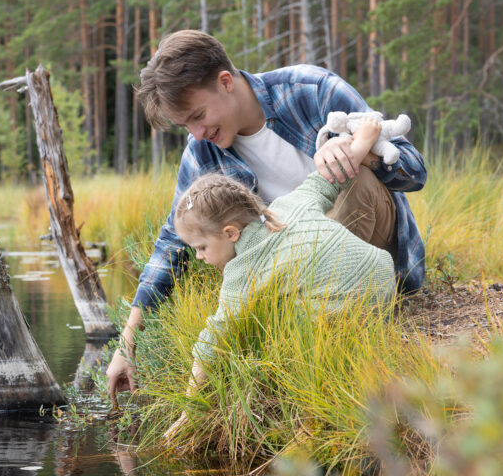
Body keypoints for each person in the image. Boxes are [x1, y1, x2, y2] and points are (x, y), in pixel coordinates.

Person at [107, 30, 426, 406]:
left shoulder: (312, 89)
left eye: (198, 116)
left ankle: (320, 335)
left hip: (366, 247)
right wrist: (127, 343)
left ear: (225, 82)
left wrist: (360, 153)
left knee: (355, 180)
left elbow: (414, 171)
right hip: (291, 277)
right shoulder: (202, 153)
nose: (197, 134)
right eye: (186, 126)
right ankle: (299, 335)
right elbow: (172, 246)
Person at [163, 119, 394, 439]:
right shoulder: (289, 204)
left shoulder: (243, 269)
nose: (199, 257)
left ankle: (316, 413)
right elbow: (331, 176)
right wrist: (366, 137)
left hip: (347, 306)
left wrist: (189, 412)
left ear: (230, 233)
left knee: (269, 338)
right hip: (382, 274)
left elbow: (211, 342)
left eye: (201, 247)